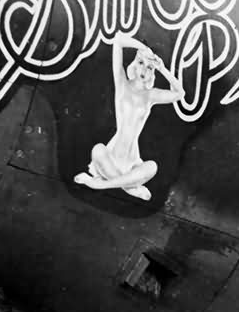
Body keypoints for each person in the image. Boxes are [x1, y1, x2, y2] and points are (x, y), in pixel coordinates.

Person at [75, 35, 184, 200]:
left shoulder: (150, 95)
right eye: (141, 63)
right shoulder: (122, 84)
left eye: (149, 67)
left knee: (152, 167)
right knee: (97, 150)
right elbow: (118, 40)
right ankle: (129, 188)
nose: (143, 70)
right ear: (135, 64)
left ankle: (100, 183)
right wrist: (143, 48)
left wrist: (162, 68)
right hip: (110, 157)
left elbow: (180, 93)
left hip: (132, 160)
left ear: (152, 72)